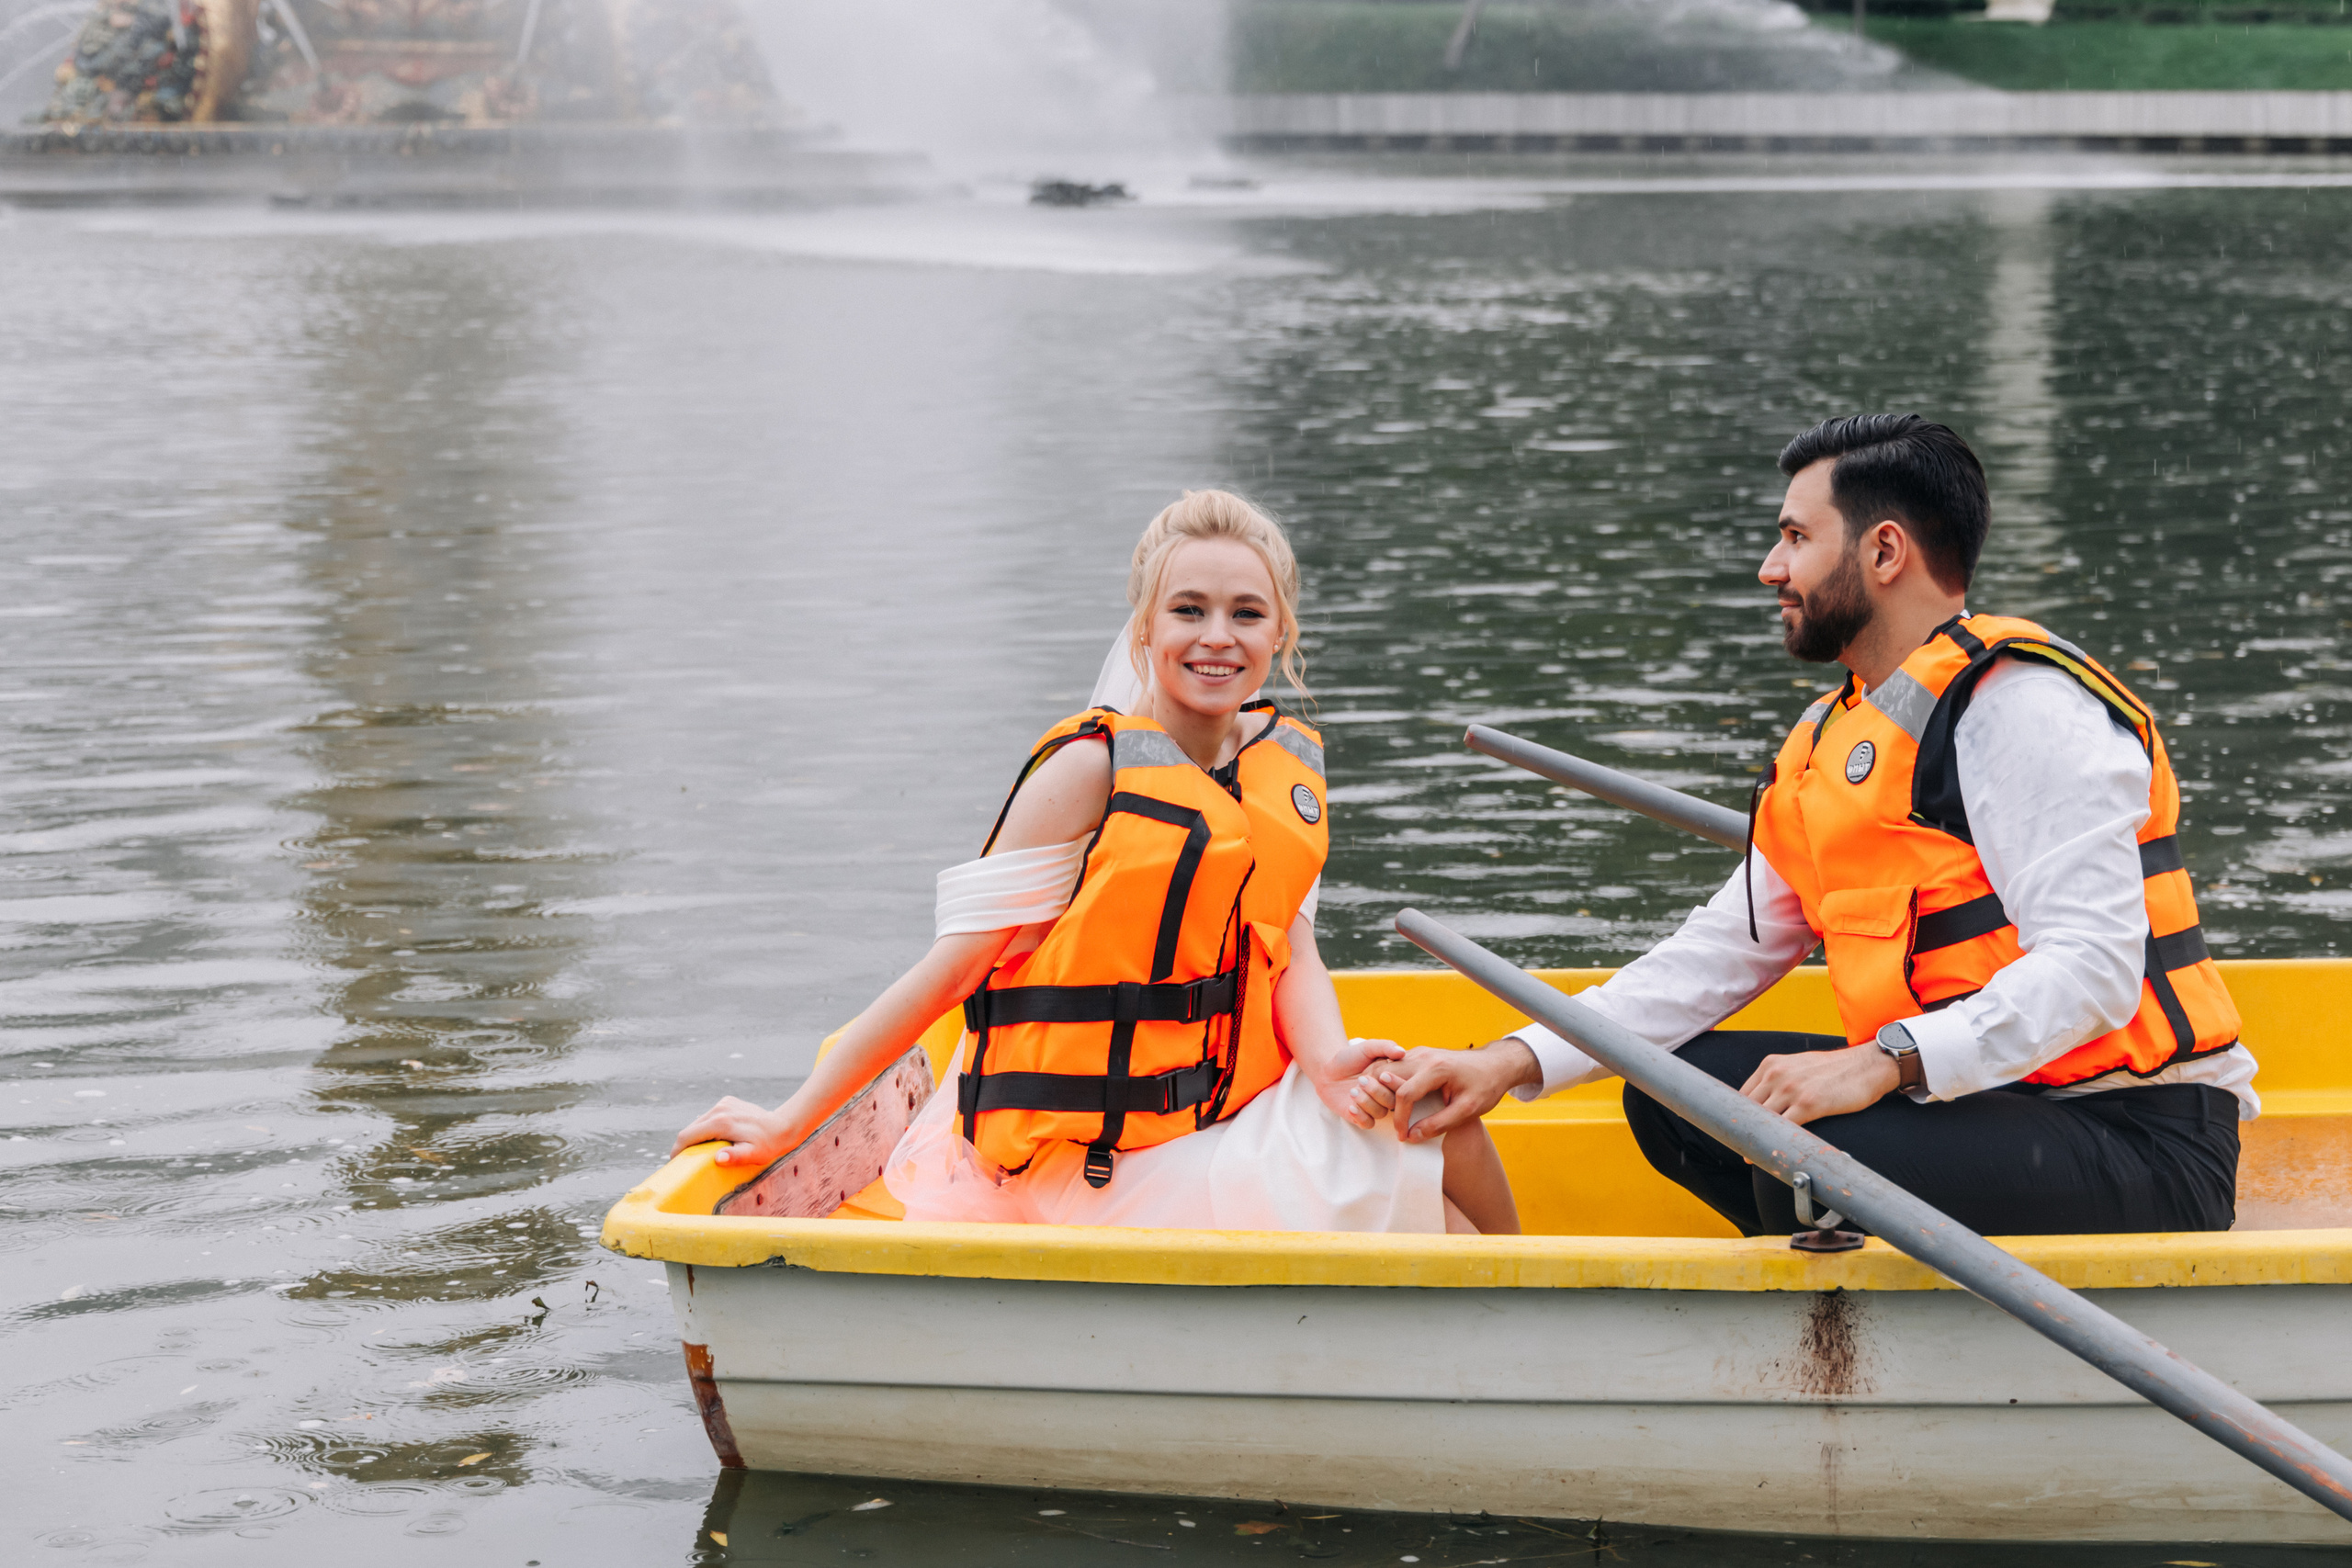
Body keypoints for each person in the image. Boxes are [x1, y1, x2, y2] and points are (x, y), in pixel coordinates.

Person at [1360, 414, 2250, 1239]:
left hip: (2136, 1134)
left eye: (1794, 537)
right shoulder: (1834, 733)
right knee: (1673, 1089)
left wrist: (1881, 1063)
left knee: (1804, 1158)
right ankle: (1860, 1301)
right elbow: (1718, 952)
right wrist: (1511, 1059)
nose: (1769, 568)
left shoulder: (2021, 707)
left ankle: (1854, 1354)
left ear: (1884, 550)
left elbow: (2092, 968)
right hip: (1981, 1105)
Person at [673, 489, 1520, 1235]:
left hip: (1228, 1112)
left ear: (1280, 631)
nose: (1216, 638)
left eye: (1246, 613)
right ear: (1145, 625)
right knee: (1441, 1224)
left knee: (1441, 1110)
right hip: (1093, 1159)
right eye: (1188, 610)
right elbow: (946, 974)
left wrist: (1331, 1066)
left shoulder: (1282, 769)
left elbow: (1289, 949)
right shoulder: (1089, 773)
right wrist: (789, 1121)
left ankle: (1528, 1316)